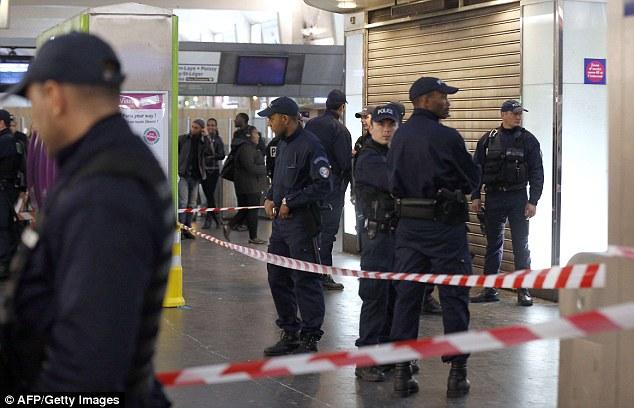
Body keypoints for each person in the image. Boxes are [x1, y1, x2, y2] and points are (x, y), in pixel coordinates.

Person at [0, 32, 173, 405]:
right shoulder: (104, 167)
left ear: (55, 97)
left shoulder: (105, 193)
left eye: (33, 103)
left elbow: (88, 369)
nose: (36, 119)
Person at [387, 77, 480, 398]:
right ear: (425, 100)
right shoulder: (448, 137)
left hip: (408, 230)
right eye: (443, 96)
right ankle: (457, 374)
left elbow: (392, 181)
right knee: (454, 298)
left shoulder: (398, 138)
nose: (448, 102)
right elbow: (471, 180)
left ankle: (402, 372)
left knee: (407, 299)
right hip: (445, 230)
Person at [259, 97, 333, 356]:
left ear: (285, 119)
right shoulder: (281, 145)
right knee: (277, 275)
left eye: (271, 117)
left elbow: (323, 185)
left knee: (306, 278)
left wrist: (292, 201)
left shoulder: (311, 146)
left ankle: (310, 336)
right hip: (281, 225)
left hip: (302, 224)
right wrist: (270, 196)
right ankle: (290, 331)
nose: (268, 123)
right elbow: (279, 180)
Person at [469, 100, 544, 307]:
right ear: (503, 115)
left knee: (521, 245)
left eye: (520, 113)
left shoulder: (529, 140)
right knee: (493, 244)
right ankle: (490, 289)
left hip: (518, 197)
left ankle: (524, 290)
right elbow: (477, 170)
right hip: (494, 197)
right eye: (515, 113)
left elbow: (538, 172)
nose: (519, 117)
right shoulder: (489, 139)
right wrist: (475, 195)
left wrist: (533, 200)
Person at [353, 105, 400, 382]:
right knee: (374, 297)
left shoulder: (395, 154)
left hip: (398, 237)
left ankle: (389, 355)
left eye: (390, 124)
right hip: (377, 237)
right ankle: (366, 359)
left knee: (395, 297)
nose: (386, 129)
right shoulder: (369, 157)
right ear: (371, 127)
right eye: (381, 124)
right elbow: (394, 182)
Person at [305, 89, 352, 291]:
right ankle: (323, 275)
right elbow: (344, 163)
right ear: (341, 107)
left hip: (310, 187)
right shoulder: (340, 130)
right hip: (332, 190)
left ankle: (306, 272)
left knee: (310, 231)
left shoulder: (311, 125)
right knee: (328, 234)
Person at [223, 125, 267, 244]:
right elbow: (250, 167)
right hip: (250, 186)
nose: (258, 136)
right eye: (256, 133)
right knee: (252, 211)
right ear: (249, 135)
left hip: (245, 185)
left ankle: (229, 226)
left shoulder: (248, 147)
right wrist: (265, 169)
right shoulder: (246, 148)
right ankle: (253, 237)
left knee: (244, 210)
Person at [0, 109, 25, 280]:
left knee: (3, 227)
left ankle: (4, 265)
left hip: (3, 190)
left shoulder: (4, 141)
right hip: (9, 188)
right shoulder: (13, 141)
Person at [178, 118, 213, 239]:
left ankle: (187, 228)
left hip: (195, 177)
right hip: (183, 175)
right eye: (192, 127)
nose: (193, 129)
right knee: (183, 203)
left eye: (196, 128)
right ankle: (181, 229)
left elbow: (210, 152)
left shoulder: (203, 142)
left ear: (201, 129)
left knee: (191, 204)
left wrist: (207, 137)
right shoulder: (183, 139)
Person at [201, 117, 225, 229]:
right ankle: (216, 218)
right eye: (209, 125)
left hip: (214, 171)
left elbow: (222, 155)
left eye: (213, 125)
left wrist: (211, 156)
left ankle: (210, 219)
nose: (210, 127)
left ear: (216, 127)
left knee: (210, 195)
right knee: (209, 196)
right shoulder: (202, 138)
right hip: (203, 170)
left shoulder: (218, 139)